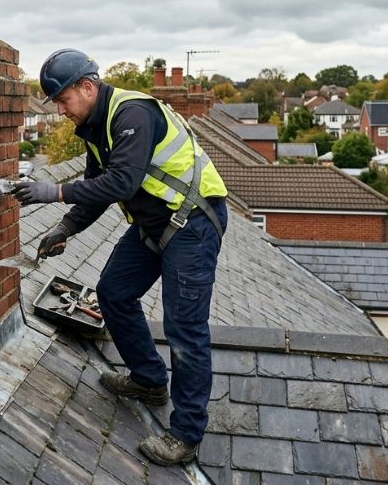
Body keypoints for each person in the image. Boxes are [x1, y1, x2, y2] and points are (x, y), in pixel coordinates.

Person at [13, 49, 228, 466]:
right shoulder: (98, 126)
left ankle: (185, 435)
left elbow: (121, 181)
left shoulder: (132, 114)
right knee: (113, 291)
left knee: (184, 329)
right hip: (155, 224)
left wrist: (54, 192)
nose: (59, 111)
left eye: (62, 100)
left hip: (193, 223)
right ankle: (149, 379)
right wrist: (65, 229)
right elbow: (97, 185)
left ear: (88, 87)